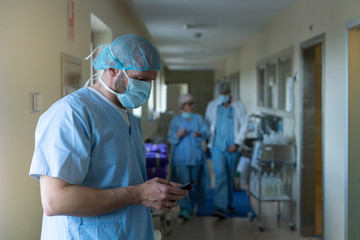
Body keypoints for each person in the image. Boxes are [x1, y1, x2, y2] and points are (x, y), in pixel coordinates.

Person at [29, 34, 187, 240]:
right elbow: (56, 201)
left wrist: (153, 193)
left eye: (150, 82)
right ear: (112, 68)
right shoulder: (71, 113)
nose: (146, 88)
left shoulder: (130, 119)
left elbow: (120, 181)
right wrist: (139, 193)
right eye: (140, 79)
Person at [205, 81, 248, 219]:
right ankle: (220, 207)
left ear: (230, 93)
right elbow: (207, 124)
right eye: (221, 94)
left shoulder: (239, 106)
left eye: (226, 93)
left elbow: (244, 126)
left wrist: (237, 143)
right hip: (217, 147)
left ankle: (227, 203)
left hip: (233, 148)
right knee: (221, 175)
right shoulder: (212, 106)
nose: (224, 96)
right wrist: (207, 142)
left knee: (229, 177)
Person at [167, 94, 209, 220]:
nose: (192, 106)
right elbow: (170, 138)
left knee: (195, 185)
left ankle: (192, 206)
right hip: (181, 158)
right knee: (184, 184)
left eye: (193, 103)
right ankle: (185, 208)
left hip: (196, 157)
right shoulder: (176, 120)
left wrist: (200, 134)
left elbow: (206, 133)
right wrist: (178, 135)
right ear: (182, 106)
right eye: (189, 104)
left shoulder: (198, 118)